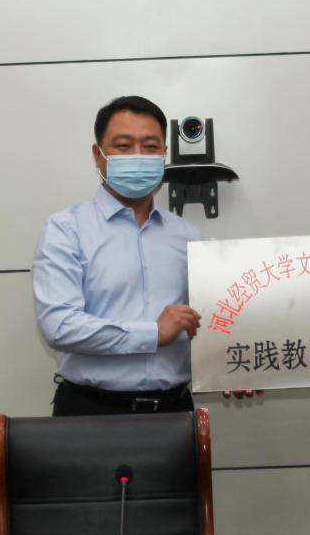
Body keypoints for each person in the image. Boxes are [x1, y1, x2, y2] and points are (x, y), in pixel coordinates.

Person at [32, 95, 202, 416]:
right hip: (90, 410)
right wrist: (153, 333)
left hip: (175, 410)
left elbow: (207, 324)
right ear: (98, 156)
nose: (138, 156)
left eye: (150, 147)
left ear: (164, 154)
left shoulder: (189, 236)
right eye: (123, 146)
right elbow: (59, 325)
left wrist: (233, 369)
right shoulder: (66, 230)